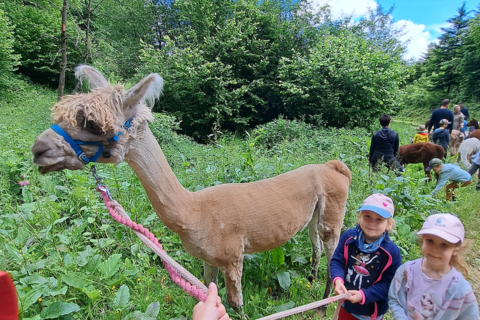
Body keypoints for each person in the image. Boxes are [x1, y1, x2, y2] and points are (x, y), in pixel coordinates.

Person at [388, 213, 478, 320]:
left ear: (455, 250)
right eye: (430, 241)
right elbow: (395, 299)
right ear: (423, 240)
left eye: (444, 244)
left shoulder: (460, 288)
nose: (435, 249)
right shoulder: (407, 272)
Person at [330, 194, 402, 320]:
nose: (371, 223)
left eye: (379, 219)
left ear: (389, 224)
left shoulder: (391, 254)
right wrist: (338, 280)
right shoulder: (348, 238)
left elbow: (388, 285)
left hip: (370, 313)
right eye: (367, 216)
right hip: (346, 305)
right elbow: (337, 261)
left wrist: (364, 295)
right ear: (360, 217)